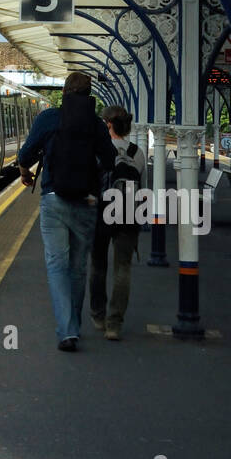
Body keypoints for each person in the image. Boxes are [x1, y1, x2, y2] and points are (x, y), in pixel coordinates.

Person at [18, 73, 115, 352]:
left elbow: (26, 155)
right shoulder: (97, 125)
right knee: (78, 266)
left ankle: (68, 330)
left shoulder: (49, 118)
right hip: (86, 203)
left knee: (56, 265)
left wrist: (26, 173)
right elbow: (109, 161)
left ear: (64, 92)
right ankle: (74, 325)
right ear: (90, 95)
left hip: (54, 200)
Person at [89, 105, 146, 341]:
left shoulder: (99, 149)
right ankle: (115, 324)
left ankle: (98, 315)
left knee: (98, 265)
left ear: (109, 124)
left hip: (101, 211)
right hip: (128, 214)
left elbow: (91, 181)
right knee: (123, 268)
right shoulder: (138, 152)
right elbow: (144, 187)